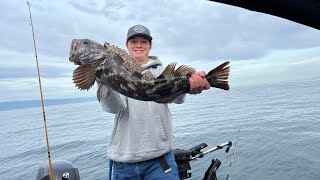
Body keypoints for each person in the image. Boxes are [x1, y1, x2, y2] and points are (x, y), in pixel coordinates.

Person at [99, 24, 210, 179]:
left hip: (160, 160)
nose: (139, 45)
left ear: (150, 46)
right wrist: (103, 79)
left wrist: (191, 83)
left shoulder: (160, 72)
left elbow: (178, 99)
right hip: (124, 160)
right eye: (134, 41)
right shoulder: (117, 72)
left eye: (144, 41)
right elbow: (115, 108)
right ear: (126, 46)